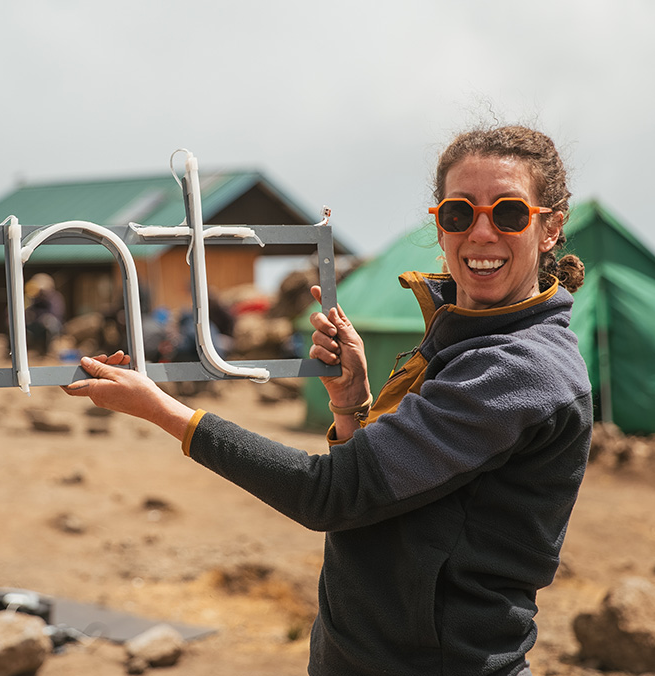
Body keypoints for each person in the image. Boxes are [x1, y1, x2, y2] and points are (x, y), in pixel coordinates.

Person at [61, 125, 593, 676]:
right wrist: (352, 407)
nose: (481, 233)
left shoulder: (518, 367)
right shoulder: (465, 334)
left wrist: (161, 410)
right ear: (439, 225)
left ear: (550, 228)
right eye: (460, 213)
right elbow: (386, 500)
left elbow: (331, 496)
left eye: (508, 213)